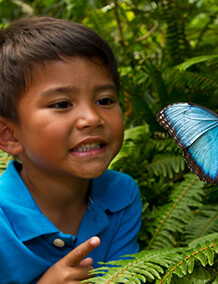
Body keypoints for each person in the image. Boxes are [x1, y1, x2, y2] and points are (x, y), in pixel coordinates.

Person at [0, 16, 142, 283]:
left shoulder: (121, 196)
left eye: (104, 100)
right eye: (62, 104)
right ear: (9, 135)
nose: (92, 117)